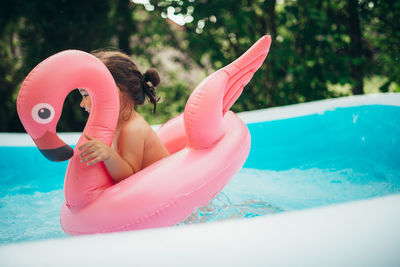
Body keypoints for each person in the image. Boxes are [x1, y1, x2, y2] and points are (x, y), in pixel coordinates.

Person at [78, 50, 170, 183]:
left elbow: (129, 177)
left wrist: (109, 156)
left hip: (165, 188)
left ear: (113, 92)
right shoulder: (115, 124)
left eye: (86, 95)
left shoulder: (132, 129)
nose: (82, 104)